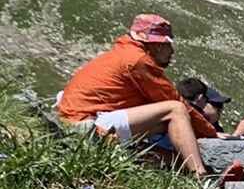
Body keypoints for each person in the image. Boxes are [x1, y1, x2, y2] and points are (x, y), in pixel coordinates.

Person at [57, 15, 215, 176]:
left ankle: (186, 171)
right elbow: (173, 99)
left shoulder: (124, 52)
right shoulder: (138, 60)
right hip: (88, 125)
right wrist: (211, 134)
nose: (172, 51)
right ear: (158, 45)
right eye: (169, 44)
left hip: (75, 124)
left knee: (165, 128)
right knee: (176, 110)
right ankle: (201, 176)